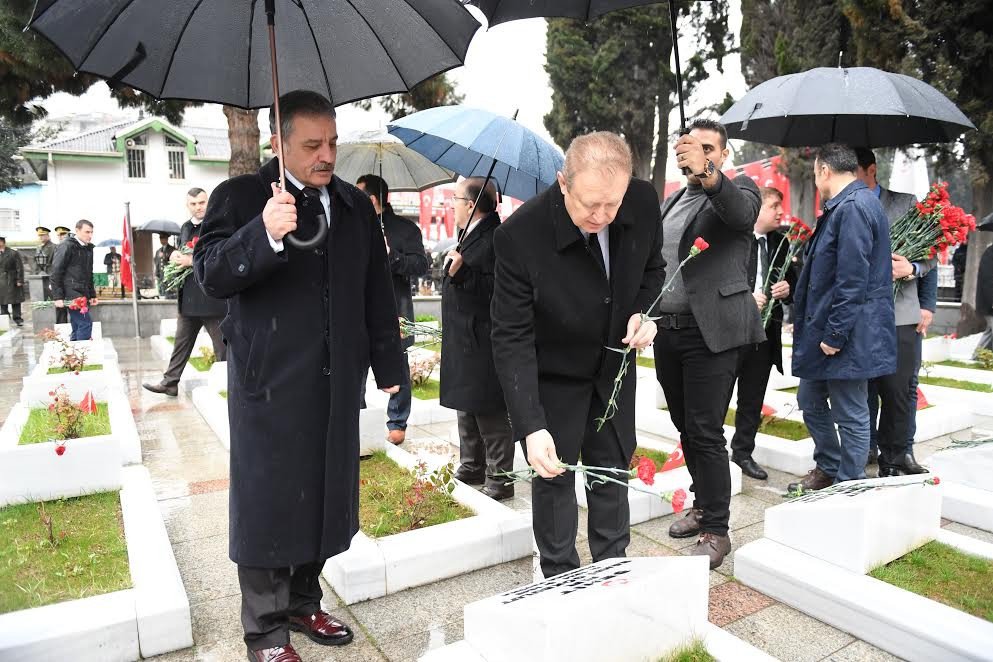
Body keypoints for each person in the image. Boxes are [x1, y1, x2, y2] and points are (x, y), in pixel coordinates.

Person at [193, 90, 404, 662]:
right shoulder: (240, 197)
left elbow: (374, 292)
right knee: (269, 501)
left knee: (325, 494)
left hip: (336, 384)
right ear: (277, 144)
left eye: (332, 142)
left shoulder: (356, 207)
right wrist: (261, 233)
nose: (326, 155)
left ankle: (304, 599)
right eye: (311, 145)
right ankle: (265, 630)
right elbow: (210, 276)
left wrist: (389, 365)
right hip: (269, 384)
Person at [491, 131, 665, 579]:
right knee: (553, 483)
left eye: (613, 205)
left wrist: (645, 314)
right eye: (591, 204)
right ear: (563, 182)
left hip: (612, 372)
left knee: (611, 475)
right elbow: (511, 337)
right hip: (553, 380)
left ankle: (613, 570)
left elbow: (653, 270)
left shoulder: (641, 202)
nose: (602, 216)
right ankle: (560, 578)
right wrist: (530, 426)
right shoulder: (520, 235)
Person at [654, 119, 763, 569]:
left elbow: (739, 214)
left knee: (705, 430)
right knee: (685, 426)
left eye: (708, 148)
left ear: (722, 154)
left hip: (713, 332)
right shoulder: (674, 199)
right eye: (691, 147)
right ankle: (701, 504)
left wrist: (710, 175)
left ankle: (717, 529)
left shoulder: (740, 189)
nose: (697, 154)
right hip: (669, 329)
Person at [787, 144, 896, 493]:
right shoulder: (847, 206)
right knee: (810, 399)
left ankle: (850, 483)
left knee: (850, 410)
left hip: (846, 334)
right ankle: (831, 466)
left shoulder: (853, 207)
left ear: (824, 171)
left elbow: (853, 279)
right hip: (830, 328)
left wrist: (835, 334)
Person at [854, 147, 934, 476]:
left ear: (871, 170)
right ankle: (868, 447)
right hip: (859, 316)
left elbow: (931, 254)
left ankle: (898, 454)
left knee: (900, 389)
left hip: (901, 314)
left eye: (853, 172)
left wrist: (912, 270)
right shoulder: (843, 207)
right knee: (864, 389)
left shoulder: (906, 203)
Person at [441, 177, 514, 500]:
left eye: (455, 199)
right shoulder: (468, 235)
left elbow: (499, 291)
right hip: (464, 336)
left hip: (483, 337)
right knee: (466, 404)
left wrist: (464, 273)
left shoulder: (498, 237)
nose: (452, 204)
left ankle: (501, 476)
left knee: (488, 409)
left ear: (471, 205)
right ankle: (472, 463)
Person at [355, 173, 429, 444]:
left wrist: (392, 256)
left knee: (398, 364)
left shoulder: (406, 229)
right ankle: (357, 416)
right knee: (356, 364)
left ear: (373, 199)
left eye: (359, 193)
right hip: (358, 307)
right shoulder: (354, 226)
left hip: (394, 307)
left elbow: (420, 266)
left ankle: (397, 422)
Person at [730, 187, 797, 481]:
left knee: (752, 397)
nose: (780, 212)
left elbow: (794, 282)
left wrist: (787, 289)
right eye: (774, 206)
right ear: (756, 209)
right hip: (730, 333)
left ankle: (743, 452)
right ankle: (711, 456)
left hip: (764, 335)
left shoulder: (782, 243)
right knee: (716, 399)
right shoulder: (733, 239)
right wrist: (744, 298)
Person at [144, 188, 227, 397]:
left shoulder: (218, 223)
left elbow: (221, 255)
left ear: (208, 202)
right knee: (181, 344)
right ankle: (170, 382)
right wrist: (175, 256)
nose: (198, 207)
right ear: (187, 205)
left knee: (223, 348)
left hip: (212, 298)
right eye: (194, 204)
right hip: (188, 299)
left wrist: (191, 261)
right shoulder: (185, 227)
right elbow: (184, 251)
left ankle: (230, 386)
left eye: (202, 202)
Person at [50, 219, 99, 340]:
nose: (90, 235)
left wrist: (92, 295)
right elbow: (56, 271)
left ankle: (73, 355)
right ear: (77, 230)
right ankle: (83, 355)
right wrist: (58, 297)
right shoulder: (66, 246)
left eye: (91, 232)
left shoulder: (88, 248)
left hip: (82, 292)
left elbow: (88, 274)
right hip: (71, 292)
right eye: (87, 232)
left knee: (78, 325)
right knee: (85, 324)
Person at [0, 237, 25, 327]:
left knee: (15, 300)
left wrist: (20, 280)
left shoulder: (13, 253)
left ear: (3, 242)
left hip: (12, 279)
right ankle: (5, 318)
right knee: (2, 301)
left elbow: (19, 267)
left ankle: (18, 319)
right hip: (1, 282)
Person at [975, 243, 993, 357]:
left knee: (990, 332)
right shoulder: (990, 252)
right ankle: (976, 357)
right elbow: (987, 280)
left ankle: (976, 357)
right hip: (989, 302)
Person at [51, 226, 71, 323]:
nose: (60, 237)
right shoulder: (57, 248)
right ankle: (61, 331)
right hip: (59, 282)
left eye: (62, 234)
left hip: (70, 282)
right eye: (59, 235)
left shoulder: (71, 247)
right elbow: (54, 267)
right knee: (60, 308)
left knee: (73, 309)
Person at [154, 233, 176, 298]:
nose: (161, 240)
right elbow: (156, 263)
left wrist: (164, 256)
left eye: (163, 238)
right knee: (161, 294)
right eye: (160, 238)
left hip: (169, 276)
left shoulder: (172, 249)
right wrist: (156, 274)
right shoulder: (158, 251)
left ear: (166, 239)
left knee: (169, 294)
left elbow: (174, 261)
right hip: (161, 276)